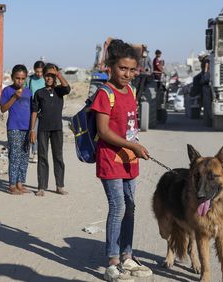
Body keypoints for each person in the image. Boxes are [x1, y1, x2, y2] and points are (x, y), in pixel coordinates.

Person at [89, 39, 153, 281]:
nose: (127, 74)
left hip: (129, 160)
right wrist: (132, 146)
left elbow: (130, 127)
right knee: (118, 207)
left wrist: (135, 148)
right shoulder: (105, 94)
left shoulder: (132, 91)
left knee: (131, 208)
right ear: (110, 67)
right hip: (110, 160)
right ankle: (113, 262)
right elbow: (104, 132)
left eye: (131, 69)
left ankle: (128, 256)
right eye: (122, 69)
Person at [29, 63, 70, 197]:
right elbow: (34, 112)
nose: (49, 78)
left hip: (57, 128)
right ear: (44, 77)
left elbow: (67, 88)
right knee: (42, 156)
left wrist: (57, 73)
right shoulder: (39, 93)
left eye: (51, 76)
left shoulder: (59, 91)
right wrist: (32, 130)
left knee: (58, 157)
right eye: (47, 75)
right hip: (43, 129)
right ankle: (41, 187)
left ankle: (59, 186)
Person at [0, 64, 32, 195]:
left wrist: (32, 129)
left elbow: (32, 110)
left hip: (27, 128)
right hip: (14, 128)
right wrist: (14, 97)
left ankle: (20, 183)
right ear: (12, 77)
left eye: (23, 78)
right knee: (14, 156)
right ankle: (12, 185)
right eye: (17, 78)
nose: (20, 81)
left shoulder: (29, 92)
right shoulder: (7, 91)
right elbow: (3, 109)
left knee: (24, 156)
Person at [24, 60, 46, 163]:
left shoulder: (46, 79)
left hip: (44, 109)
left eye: (41, 72)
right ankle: (34, 152)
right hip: (32, 108)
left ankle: (38, 152)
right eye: (37, 71)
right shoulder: (30, 79)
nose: (39, 74)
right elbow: (25, 92)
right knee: (33, 130)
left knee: (41, 132)